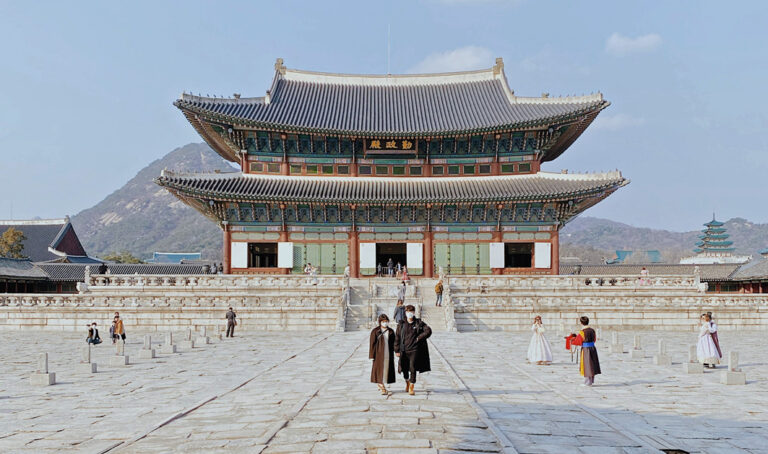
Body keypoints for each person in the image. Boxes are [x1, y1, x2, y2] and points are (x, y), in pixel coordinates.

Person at [395, 305, 432, 395]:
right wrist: (396, 350)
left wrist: (419, 338)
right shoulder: (401, 323)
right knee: (404, 368)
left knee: (412, 368)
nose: (409, 314)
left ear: (414, 312)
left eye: (411, 312)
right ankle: (407, 381)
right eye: (408, 312)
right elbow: (397, 337)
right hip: (404, 350)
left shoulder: (418, 323)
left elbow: (428, 330)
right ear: (405, 313)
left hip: (414, 350)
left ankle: (412, 386)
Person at [369, 314, 396, 395]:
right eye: (383, 322)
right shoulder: (375, 331)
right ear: (380, 322)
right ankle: (381, 386)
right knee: (379, 369)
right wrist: (371, 355)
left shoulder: (391, 331)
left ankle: (381, 383)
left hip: (388, 353)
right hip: (378, 354)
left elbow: (394, 342)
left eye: (386, 321)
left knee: (386, 369)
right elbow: (372, 344)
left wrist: (397, 351)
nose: (385, 323)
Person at [573, 316, 600, 386]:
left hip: (586, 349)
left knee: (587, 365)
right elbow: (594, 339)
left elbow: (578, 341)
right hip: (592, 348)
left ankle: (587, 382)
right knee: (592, 364)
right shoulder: (592, 330)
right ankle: (591, 381)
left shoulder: (582, 332)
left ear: (581, 323)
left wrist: (572, 340)